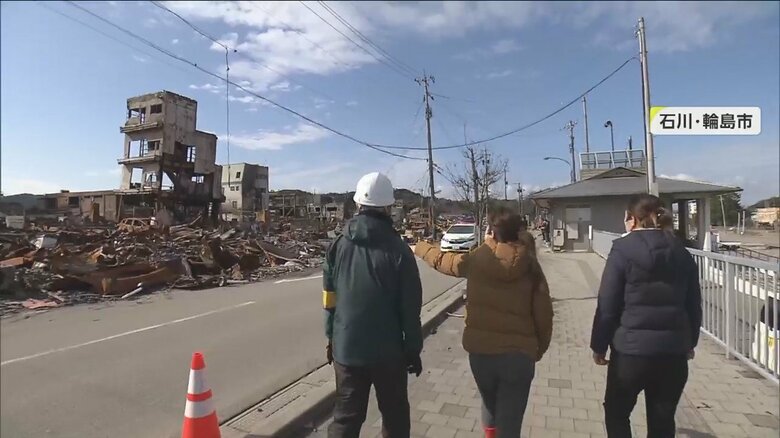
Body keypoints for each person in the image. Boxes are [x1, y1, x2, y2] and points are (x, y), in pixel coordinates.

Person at [415, 206, 553, 438]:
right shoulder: (530, 263)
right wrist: (538, 350)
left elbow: (444, 261)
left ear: (491, 231)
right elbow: (544, 314)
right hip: (519, 356)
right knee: (510, 420)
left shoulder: (477, 258)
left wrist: (420, 247)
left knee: (489, 402)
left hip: (481, 354)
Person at [590, 194, 702, 438]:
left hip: (630, 353)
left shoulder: (623, 249)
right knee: (662, 421)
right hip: (673, 353)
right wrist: (690, 343)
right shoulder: (681, 250)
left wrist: (599, 345)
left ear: (631, 219)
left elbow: (608, 303)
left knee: (617, 413)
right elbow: (694, 303)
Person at [323, 172, 423, 438]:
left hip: (347, 349)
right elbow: (410, 308)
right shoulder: (400, 250)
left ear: (358, 204)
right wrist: (413, 349)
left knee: (345, 420)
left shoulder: (337, 246)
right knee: (395, 417)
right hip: (389, 353)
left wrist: (331, 337)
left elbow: (329, 298)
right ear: (388, 207)